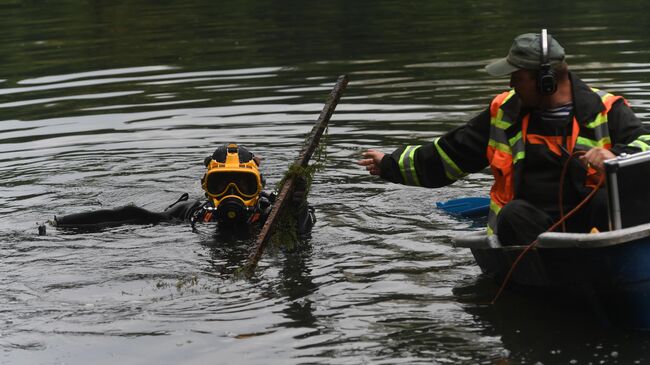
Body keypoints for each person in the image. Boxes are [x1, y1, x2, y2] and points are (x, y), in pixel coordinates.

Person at [359, 30, 650, 246]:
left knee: (605, 200)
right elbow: (450, 155)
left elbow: (645, 146)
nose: (510, 83)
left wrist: (616, 158)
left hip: (597, 235)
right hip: (528, 237)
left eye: (517, 76)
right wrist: (390, 164)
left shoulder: (607, 108)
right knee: (514, 213)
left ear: (545, 80)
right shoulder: (504, 111)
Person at [53, 143, 315, 235]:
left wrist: (297, 206)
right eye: (221, 185)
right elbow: (131, 216)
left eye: (244, 185)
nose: (232, 192)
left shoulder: (272, 212)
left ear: (259, 188)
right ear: (206, 187)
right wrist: (61, 224)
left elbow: (303, 231)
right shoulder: (194, 212)